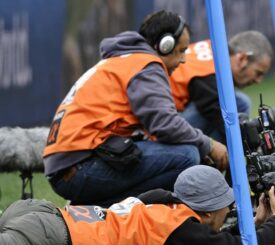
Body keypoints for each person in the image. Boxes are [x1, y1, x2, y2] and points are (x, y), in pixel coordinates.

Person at [43, 10, 228, 207]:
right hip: (79, 167)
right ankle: (103, 211)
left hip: (71, 165)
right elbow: (164, 124)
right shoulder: (146, 65)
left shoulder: (125, 61)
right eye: (181, 50)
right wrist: (208, 144)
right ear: (164, 46)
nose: (183, 60)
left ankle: (97, 207)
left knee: (186, 152)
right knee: (186, 155)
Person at [0, 165, 275, 245]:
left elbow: (206, 237)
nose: (230, 210)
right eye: (227, 206)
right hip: (51, 237)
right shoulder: (181, 230)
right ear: (207, 212)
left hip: (40, 211)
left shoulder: (161, 201)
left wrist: (258, 223)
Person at [169, 31, 273, 144]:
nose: (258, 81)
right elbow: (223, 121)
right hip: (163, 126)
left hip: (168, 112)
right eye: (258, 73)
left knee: (239, 102)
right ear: (242, 59)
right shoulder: (208, 74)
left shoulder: (214, 49)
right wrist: (253, 143)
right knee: (235, 105)